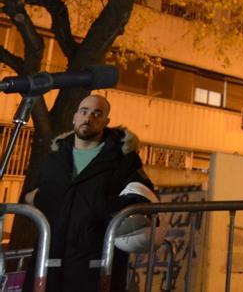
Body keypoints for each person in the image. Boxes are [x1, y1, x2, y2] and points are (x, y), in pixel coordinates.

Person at [24, 94, 156, 292]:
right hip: (47, 265)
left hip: (95, 268)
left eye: (97, 114)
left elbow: (142, 197)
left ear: (106, 121)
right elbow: (29, 194)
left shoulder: (123, 158)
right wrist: (38, 199)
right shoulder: (55, 156)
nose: (89, 118)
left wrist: (95, 206)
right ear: (75, 116)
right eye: (84, 111)